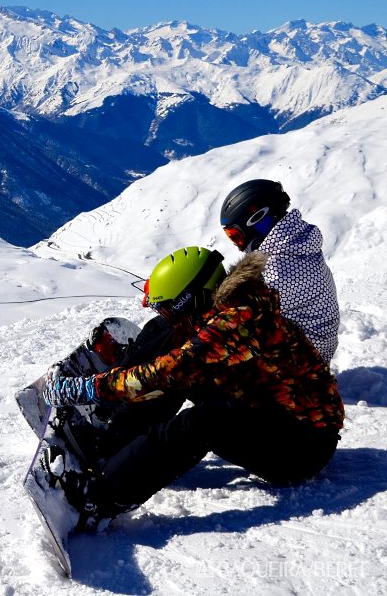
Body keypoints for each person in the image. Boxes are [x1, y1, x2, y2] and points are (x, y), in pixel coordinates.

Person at [39, 246, 344, 527]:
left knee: (205, 419)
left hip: (301, 446)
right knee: (171, 339)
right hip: (269, 411)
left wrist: (89, 388)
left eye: (169, 307)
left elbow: (163, 373)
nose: (166, 314)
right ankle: (112, 439)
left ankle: (101, 498)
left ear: (192, 297)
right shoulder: (227, 307)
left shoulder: (236, 322)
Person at [220, 178, 339, 362]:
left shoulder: (277, 269)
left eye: (236, 236)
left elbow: (234, 315)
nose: (238, 247)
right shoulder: (295, 245)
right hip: (313, 347)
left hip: (301, 363)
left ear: (258, 219)